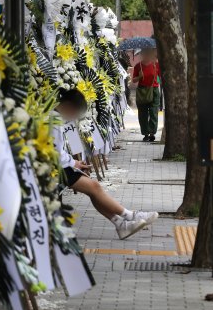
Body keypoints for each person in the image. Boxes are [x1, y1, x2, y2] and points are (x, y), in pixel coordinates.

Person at [52, 89, 158, 240]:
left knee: (93, 188)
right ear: (68, 107)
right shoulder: (54, 120)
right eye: (75, 114)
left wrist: (72, 162)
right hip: (53, 167)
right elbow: (54, 151)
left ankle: (121, 223)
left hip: (57, 165)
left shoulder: (56, 118)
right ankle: (129, 216)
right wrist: (73, 162)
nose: (73, 118)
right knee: (94, 187)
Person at [132, 48, 161, 142]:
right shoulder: (138, 66)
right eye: (144, 53)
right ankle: (145, 134)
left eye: (148, 53)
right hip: (142, 91)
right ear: (142, 54)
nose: (146, 55)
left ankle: (152, 133)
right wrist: (139, 77)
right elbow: (134, 80)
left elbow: (160, 77)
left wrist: (158, 82)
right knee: (143, 113)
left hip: (154, 90)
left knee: (153, 112)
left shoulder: (156, 65)